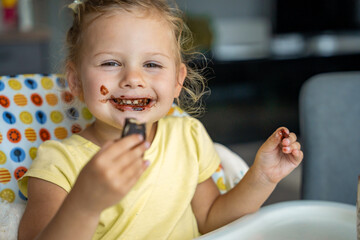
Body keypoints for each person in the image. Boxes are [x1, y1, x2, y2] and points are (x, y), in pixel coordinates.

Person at [18, 0, 303, 239]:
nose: (133, 79)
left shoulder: (187, 136)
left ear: (178, 81)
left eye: (152, 64)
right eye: (110, 63)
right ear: (76, 81)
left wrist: (263, 177)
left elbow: (211, 219)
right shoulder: (58, 162)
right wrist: (85, 204)